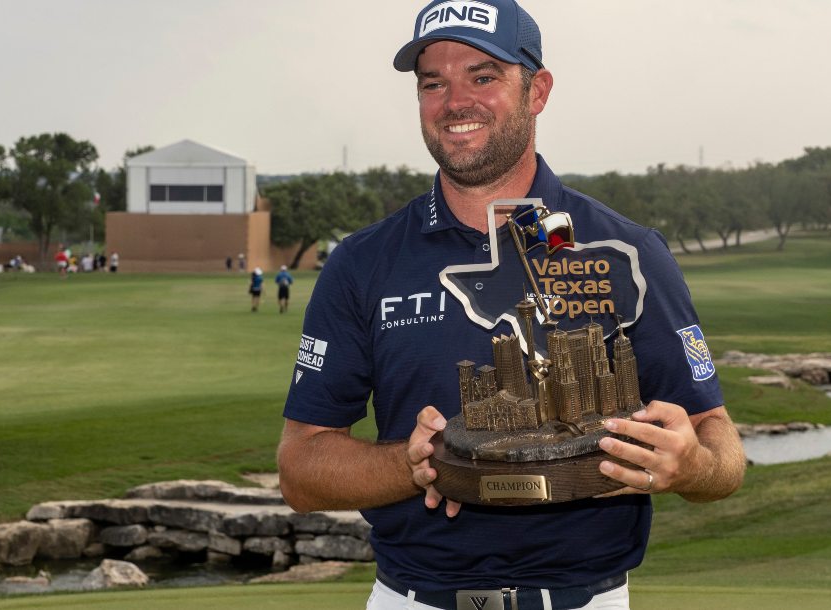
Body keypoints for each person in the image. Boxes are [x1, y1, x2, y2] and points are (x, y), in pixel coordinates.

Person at [277, 2, 746, 609]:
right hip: (414, 598)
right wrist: (415, 464)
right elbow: (300, 469)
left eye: (483, 76)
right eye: (433, 83)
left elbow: (721, 446)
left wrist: (693, 467)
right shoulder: (362, 263)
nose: (454, 102)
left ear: (538, 90)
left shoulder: (627, 251)